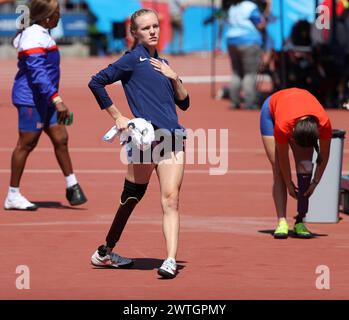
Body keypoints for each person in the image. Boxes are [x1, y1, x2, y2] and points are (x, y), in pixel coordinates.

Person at [88, 8, 190, 279]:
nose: (153, 31)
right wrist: (118, 116)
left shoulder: (164, 62)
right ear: (134, 33)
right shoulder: (131, 60)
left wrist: (173, 75)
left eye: (155, 26)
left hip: (172, 138)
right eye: (145, 28)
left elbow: (185, 102)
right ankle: (105, 251)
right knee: (131, 198)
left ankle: (169, 260)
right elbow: (96, 82)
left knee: (171, 199)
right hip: (145, 141)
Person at [4, 0, 87, 211]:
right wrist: (57, 100)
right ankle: (13, 195)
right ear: (48, 17)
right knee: (26, 144)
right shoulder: (33, 36)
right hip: (31, 99)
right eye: (58, 13)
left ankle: (72, 186)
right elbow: (38, 73)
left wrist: (53, 98)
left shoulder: (41, 33)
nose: (60, 17)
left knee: (61, 138)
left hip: (45, 98)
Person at [260, 88, 332, 239]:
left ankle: (300, 220)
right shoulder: (283, 126)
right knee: (278, 168)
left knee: (305, 166)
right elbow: (283, 157)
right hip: (271, 112)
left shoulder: (324, 123)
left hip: (297, 114)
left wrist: (315, 182)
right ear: (292, 132)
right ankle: (282, 221)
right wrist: (289, 183)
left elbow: (324, 155)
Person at [226, 0, 265, 109]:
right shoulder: (250, 6)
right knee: (250, 73)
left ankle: (234, 101)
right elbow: (260, 24)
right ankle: (249, 102)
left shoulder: (233, 6)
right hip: (248, 41)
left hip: (232, 41)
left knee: (236, 72)